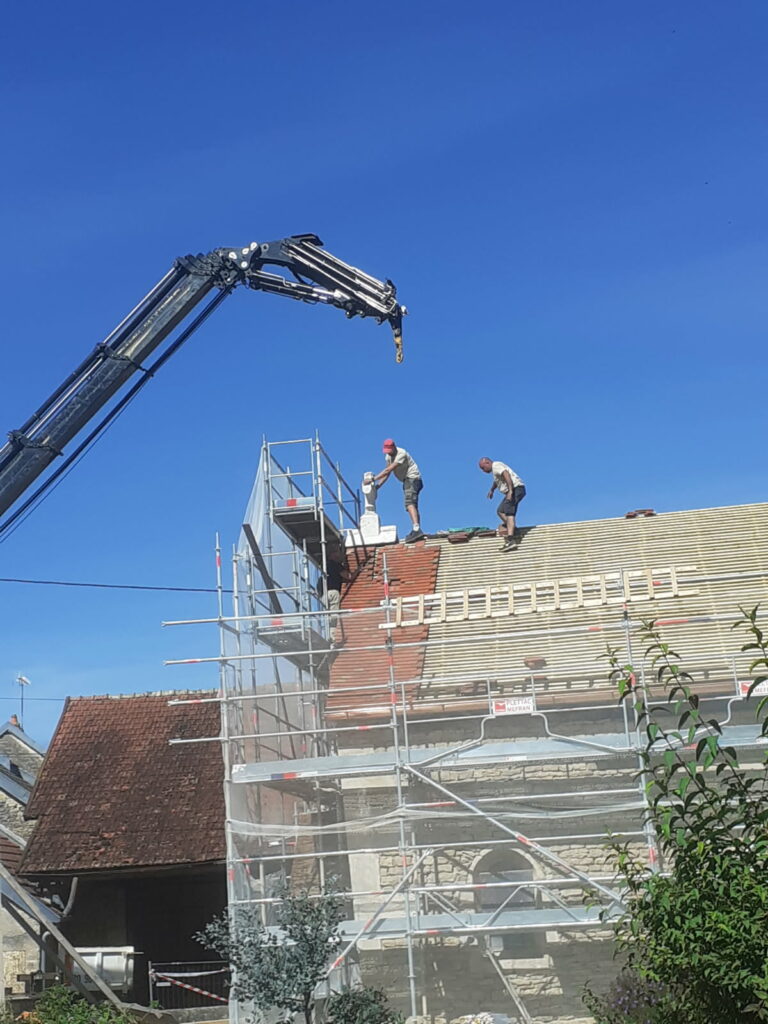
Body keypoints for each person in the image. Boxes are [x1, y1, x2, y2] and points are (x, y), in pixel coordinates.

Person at [374, 439, 425, 543]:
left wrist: (373, 479)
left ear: (394, 447)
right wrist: (378, 486)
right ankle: (417, 529)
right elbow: (387, 473)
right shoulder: (388, 456)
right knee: (412, 505)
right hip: (407, 480)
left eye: (389, 450)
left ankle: (416, 529)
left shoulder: (401, 453)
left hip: (412, 479)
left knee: (409, 503)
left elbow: (388, 470)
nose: (388, 452)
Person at [478, 457, 526, 552]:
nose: (483, 471)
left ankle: (511, 540)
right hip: (514, 490)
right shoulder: (495, 470)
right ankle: (514, 529)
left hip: (516, 489)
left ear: (487, 463)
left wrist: (510, 491)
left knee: (509, 513)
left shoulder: (496, 465)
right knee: (500, 511)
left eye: (483, 468)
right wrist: (492, 490)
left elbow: (506, 474)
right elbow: (497, 481)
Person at [318, 546, 349, 645]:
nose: (340, 555)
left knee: (326, 615)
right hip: (333, 592)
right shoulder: (335, 564)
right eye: (338, 552)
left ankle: (328, 636)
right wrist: (358, 570)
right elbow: (349, 576)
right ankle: (332, 637)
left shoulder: (325, 565)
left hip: (323, 594)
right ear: (333, 554)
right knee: (334, 615)